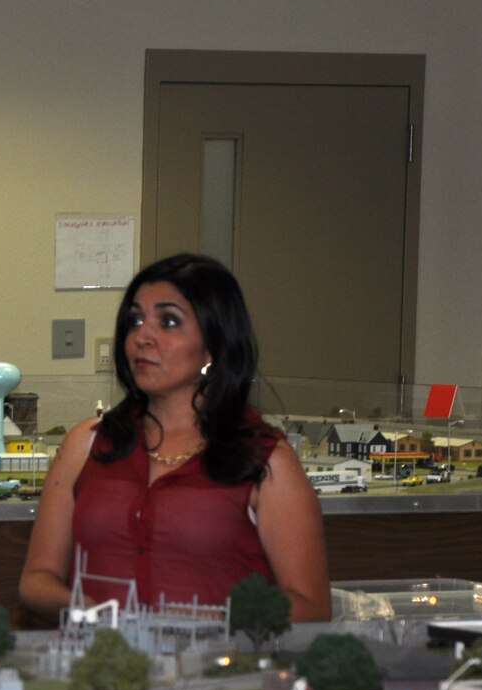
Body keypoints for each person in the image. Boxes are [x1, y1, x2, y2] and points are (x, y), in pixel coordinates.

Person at [18, 254, 328, 622]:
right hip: (99, 667)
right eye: (135, 320)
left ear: (213, 346)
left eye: (168, 321)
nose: (142, 337)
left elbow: (311, 606)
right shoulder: (86, 444)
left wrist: (215, 621)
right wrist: (85, 611)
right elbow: (36, 581)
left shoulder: (264, 460)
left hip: (217, 673)